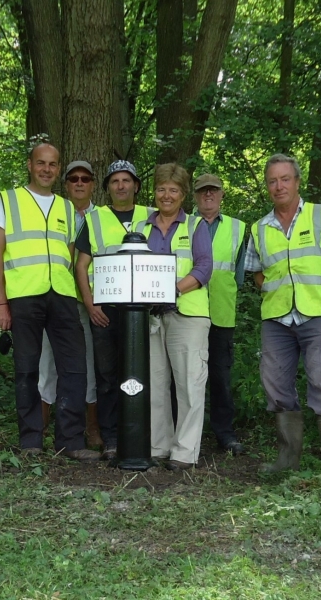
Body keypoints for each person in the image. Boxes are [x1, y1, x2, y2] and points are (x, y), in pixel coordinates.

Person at [0, 142, 100, 461]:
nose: (46, 169)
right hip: (23, 295)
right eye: (41, 163)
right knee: (27, 368)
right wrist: (1, 302)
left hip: (62, 295)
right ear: (30, 165)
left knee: (75, 366)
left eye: (52, 164)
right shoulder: (9, 201)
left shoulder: (67, 208)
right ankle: (31, 441)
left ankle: (70, 441)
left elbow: (74, 255)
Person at [244, 154, 321, 480]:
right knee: (276, 386)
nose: (279, 186)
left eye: (285, 179)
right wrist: (278, 294)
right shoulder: (259, 228)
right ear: (267, 186)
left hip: (315, 315)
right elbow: (256, 274)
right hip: (276, 320)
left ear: (297, 181)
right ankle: (287, 461)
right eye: (272, 181)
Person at [133, 163, 213, 471]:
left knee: (190, 384)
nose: (167, 196)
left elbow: (204, 269)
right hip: (151, 316)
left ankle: (185, 451)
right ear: (154, 192)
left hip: (188, 315)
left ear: (183, 195)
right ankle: (158, 446)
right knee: (154, 382)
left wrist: (171, 290)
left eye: (174, 190)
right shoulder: (140, 228)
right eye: (162, 189)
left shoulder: (196, 226)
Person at [75, 160, 153, 461]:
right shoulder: (95, 219)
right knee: (107, 375)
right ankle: (110, 438)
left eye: (126, 180)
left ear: (135, 185)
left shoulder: (152, 215)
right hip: (105, 310)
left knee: (144, 374)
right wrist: (90, 304)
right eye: (115, 181)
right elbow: (81, 266)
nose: (121, 186)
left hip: (144, 310)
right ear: (107, 187)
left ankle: (142, 436)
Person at [38, 160, 102, 449]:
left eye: (85, 178)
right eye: (73, 178)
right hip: (54, 300)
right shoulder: (53, 211)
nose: (79, 183)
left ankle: (91, 429)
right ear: (66, 184)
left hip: (89, 303)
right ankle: (39, 429)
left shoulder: (103, 217)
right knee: (46, 364)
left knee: (88, 365)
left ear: (92, 184)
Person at [193, 174, 246, 455]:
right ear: (195, 196)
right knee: (187, 377)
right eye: (203, 192)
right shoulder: (184, 224)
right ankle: (187, 435)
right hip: (188, 313)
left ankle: (224, 433)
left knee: (220, 378)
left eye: (213, 190)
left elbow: (238, 275)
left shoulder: (238, 229)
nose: (208, 195)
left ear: (222, 194)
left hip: (222, 316)